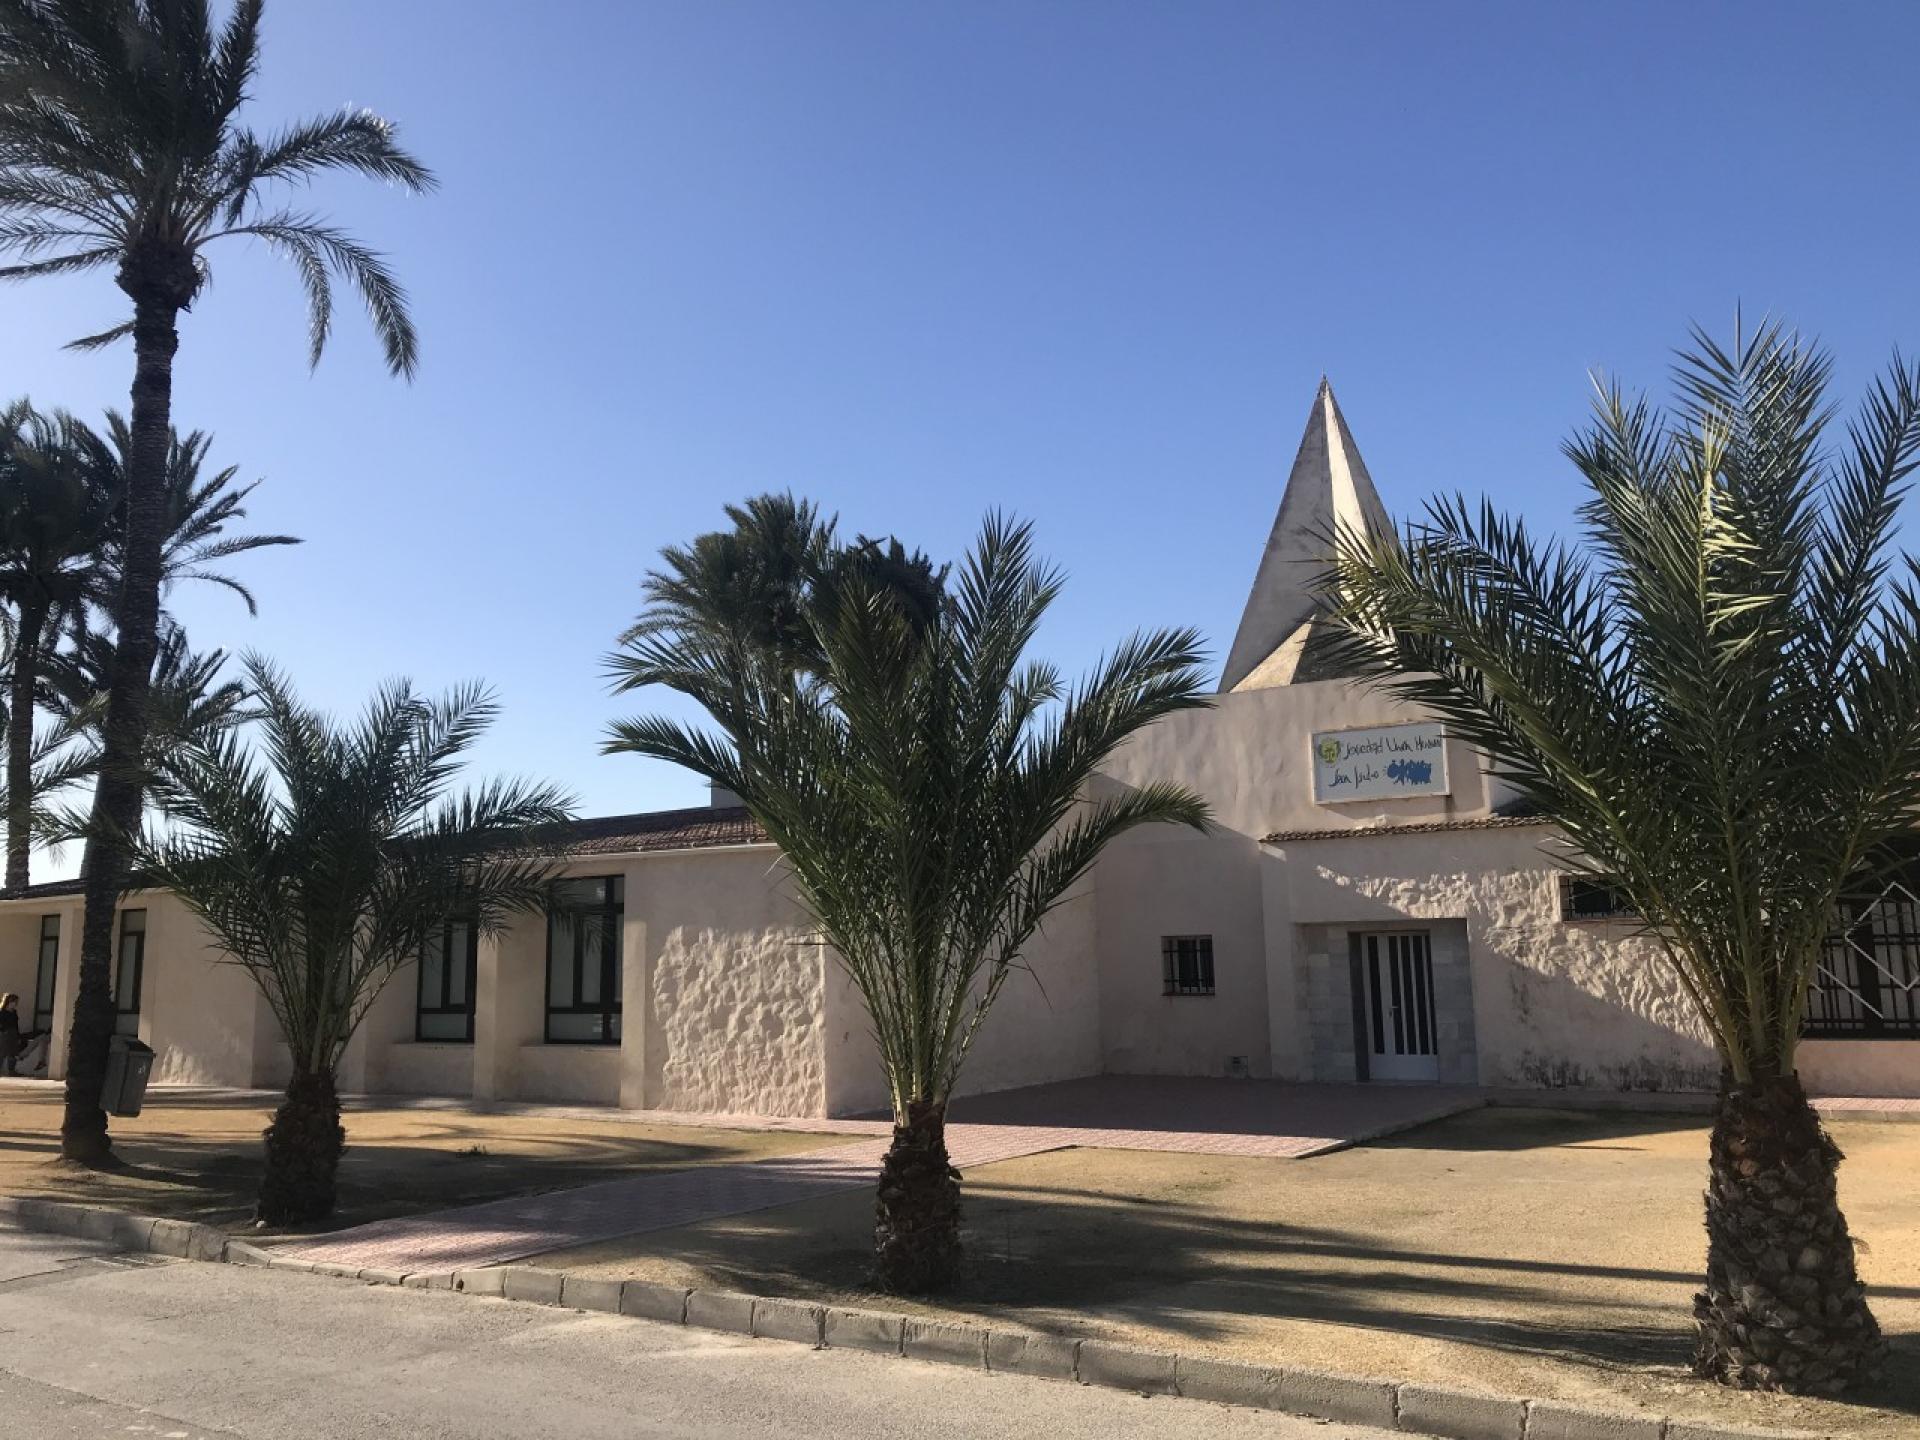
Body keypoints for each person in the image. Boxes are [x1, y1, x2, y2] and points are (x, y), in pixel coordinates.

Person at [0, 994, 21, 1077]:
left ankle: (12, 1070)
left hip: (13, 1034)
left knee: (13, 1053)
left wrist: (18, 1036)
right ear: (9, 1002)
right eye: (14, 1002)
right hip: (5, 1034)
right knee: (2, 1052)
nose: (16, 1004)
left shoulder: (14, 1012)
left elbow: (16, 1024)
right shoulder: (2, 1012)